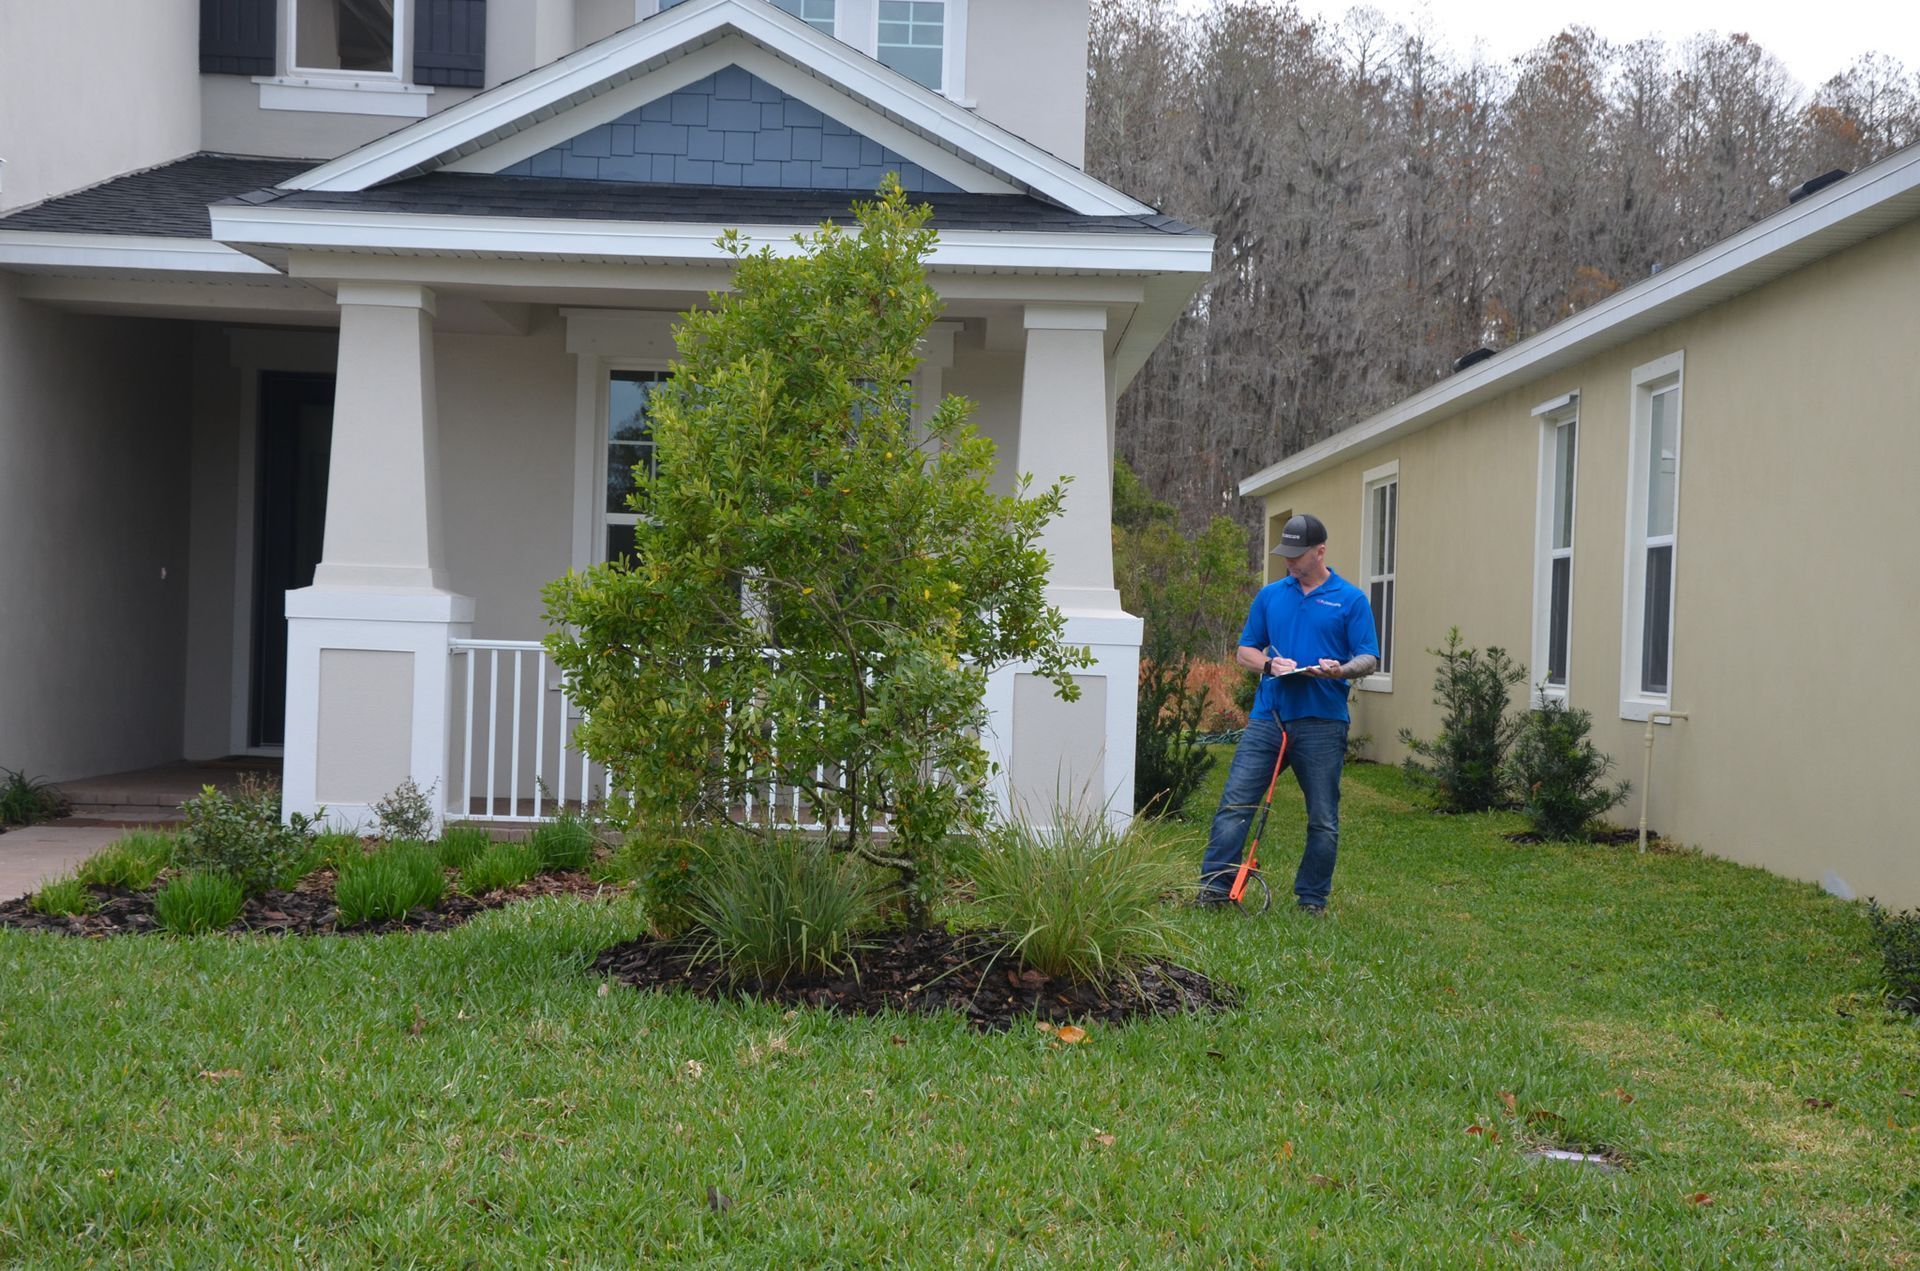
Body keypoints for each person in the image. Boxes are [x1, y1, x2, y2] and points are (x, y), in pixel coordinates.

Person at [1199, 513, 1379, 914]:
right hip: (1269, 719)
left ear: (1320, 552)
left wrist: (1339, 670)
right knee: (1235, 806)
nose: (1290, 562)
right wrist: (1268, 665)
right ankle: (1213, 892)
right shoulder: (1270, 596)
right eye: (1286, 554)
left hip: (1322, 723)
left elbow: (1368, 656)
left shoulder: (1350, 600)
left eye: (1298, 555)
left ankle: (1311, 900)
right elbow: (1246, 650)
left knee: (1322, 818)